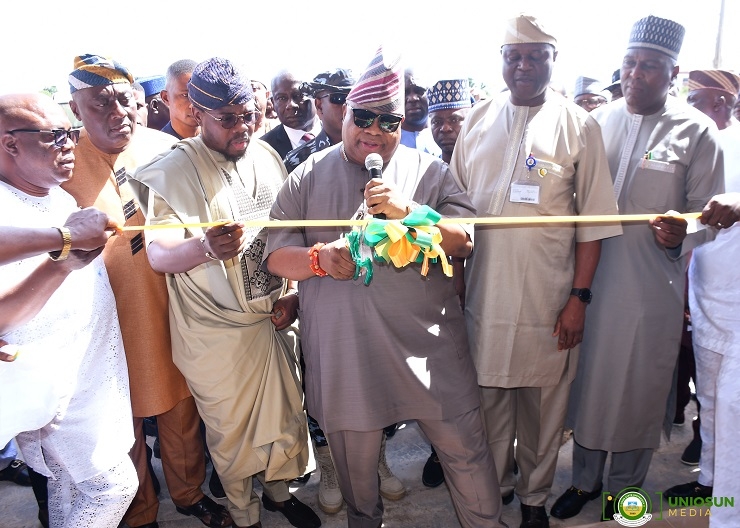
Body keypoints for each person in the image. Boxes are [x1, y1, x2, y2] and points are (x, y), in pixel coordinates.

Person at [265, 46, 506, 528]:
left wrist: (411, 213)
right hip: (347, 355)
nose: (375, 131)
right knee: (357, 477)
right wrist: (318, 259)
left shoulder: (430, 172)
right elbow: (275, 255)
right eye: (364, 117)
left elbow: (463, 243)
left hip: (429, 353)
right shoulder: (307, 175)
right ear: (346, 114)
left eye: (389, 122)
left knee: (468, 454)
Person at [129, 57, 320, 528]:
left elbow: (286, 234)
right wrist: (204, 247)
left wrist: (292, 293)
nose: (244, 127)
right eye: (228, 119)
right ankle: (243, 511)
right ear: (197, 113)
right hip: (215, 331)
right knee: (232, 435)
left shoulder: (265, 156)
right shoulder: (171, 171)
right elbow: (159, 255)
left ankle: (278, 494)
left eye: (248, 114)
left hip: (272, 318)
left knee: (284, 421)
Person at [450, 14, 621, 528]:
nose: (523, 65)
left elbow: (593, 223)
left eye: (534, 56)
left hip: (550, 300)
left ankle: (533, 500)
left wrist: (579, 299)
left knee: (545, 411)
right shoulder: (477, 120)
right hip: (483, 296)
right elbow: (453, 213)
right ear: (502, 61)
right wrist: (454, 292)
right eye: (513, 56)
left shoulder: (579, 125)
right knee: (489, 403)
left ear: (552, 60)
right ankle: (496, 487)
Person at [555, 16, 725, 522]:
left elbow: (706, 215)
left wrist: (683, 232)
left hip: (652, 285)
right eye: (630, 63)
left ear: (672, 72)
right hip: (589, 280)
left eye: (649, 66)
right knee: (587, 383)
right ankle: (584, 481)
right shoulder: (595, 121)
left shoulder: (696, 132)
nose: (636, 74)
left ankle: (623, 491)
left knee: (638, 388)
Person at [64, 54, 231, 528]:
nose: (118, 113)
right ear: (76, 110)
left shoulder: (164, 148)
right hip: (107, 321)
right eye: (100, 104)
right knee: (122, 424)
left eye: (125, 100)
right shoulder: (61, 164)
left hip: (174, 305)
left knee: (181, 411)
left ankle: (190, 493)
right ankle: (139, 512)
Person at [0, 91, 137, 527]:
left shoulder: (54, 195)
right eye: (54, 135)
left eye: (71, 133)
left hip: (89, 374)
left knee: (67, 484)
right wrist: (63, 259)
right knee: (113, 487)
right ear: (10, 144)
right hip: (53, 386)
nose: (69, 144)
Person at [663, 70, 740, 518]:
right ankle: (712, 484)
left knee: (733, 408)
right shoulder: (698, 144)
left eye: (697, 98)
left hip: (738, 307)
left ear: (721, 101)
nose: (689, 105)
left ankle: (729, 517)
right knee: (709, 401)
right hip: (706, 295)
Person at [419, 77, 474, 490]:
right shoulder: (422, 165)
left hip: (486, 281)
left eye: (454, 118)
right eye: (438, 121)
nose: (445, 128)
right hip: (437, 289)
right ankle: (441, 452)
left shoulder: (482, 157)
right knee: (442, 375)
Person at [284, 68, 355, 173]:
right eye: (339, 98)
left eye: (354, 98)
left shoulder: (372, 150)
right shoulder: (297, 161)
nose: (347, 107)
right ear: (319, 106)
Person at [262, 70, 318, 158]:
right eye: (282, 98)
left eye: (299, 95)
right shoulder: (264, 149)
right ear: (273, 103)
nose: (291, 105)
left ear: (315, 96)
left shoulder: (339, 132)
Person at [400, 69, 441, 157]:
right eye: (405, 92)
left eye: (419, 91)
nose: (412, 98)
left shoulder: (445, 134)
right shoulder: (387, 140)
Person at [161, 59, 199, 139]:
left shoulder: (220, 142)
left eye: (200, 95)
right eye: (185, 95)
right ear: (166, 98)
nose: (195, 104)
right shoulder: (159, 148)